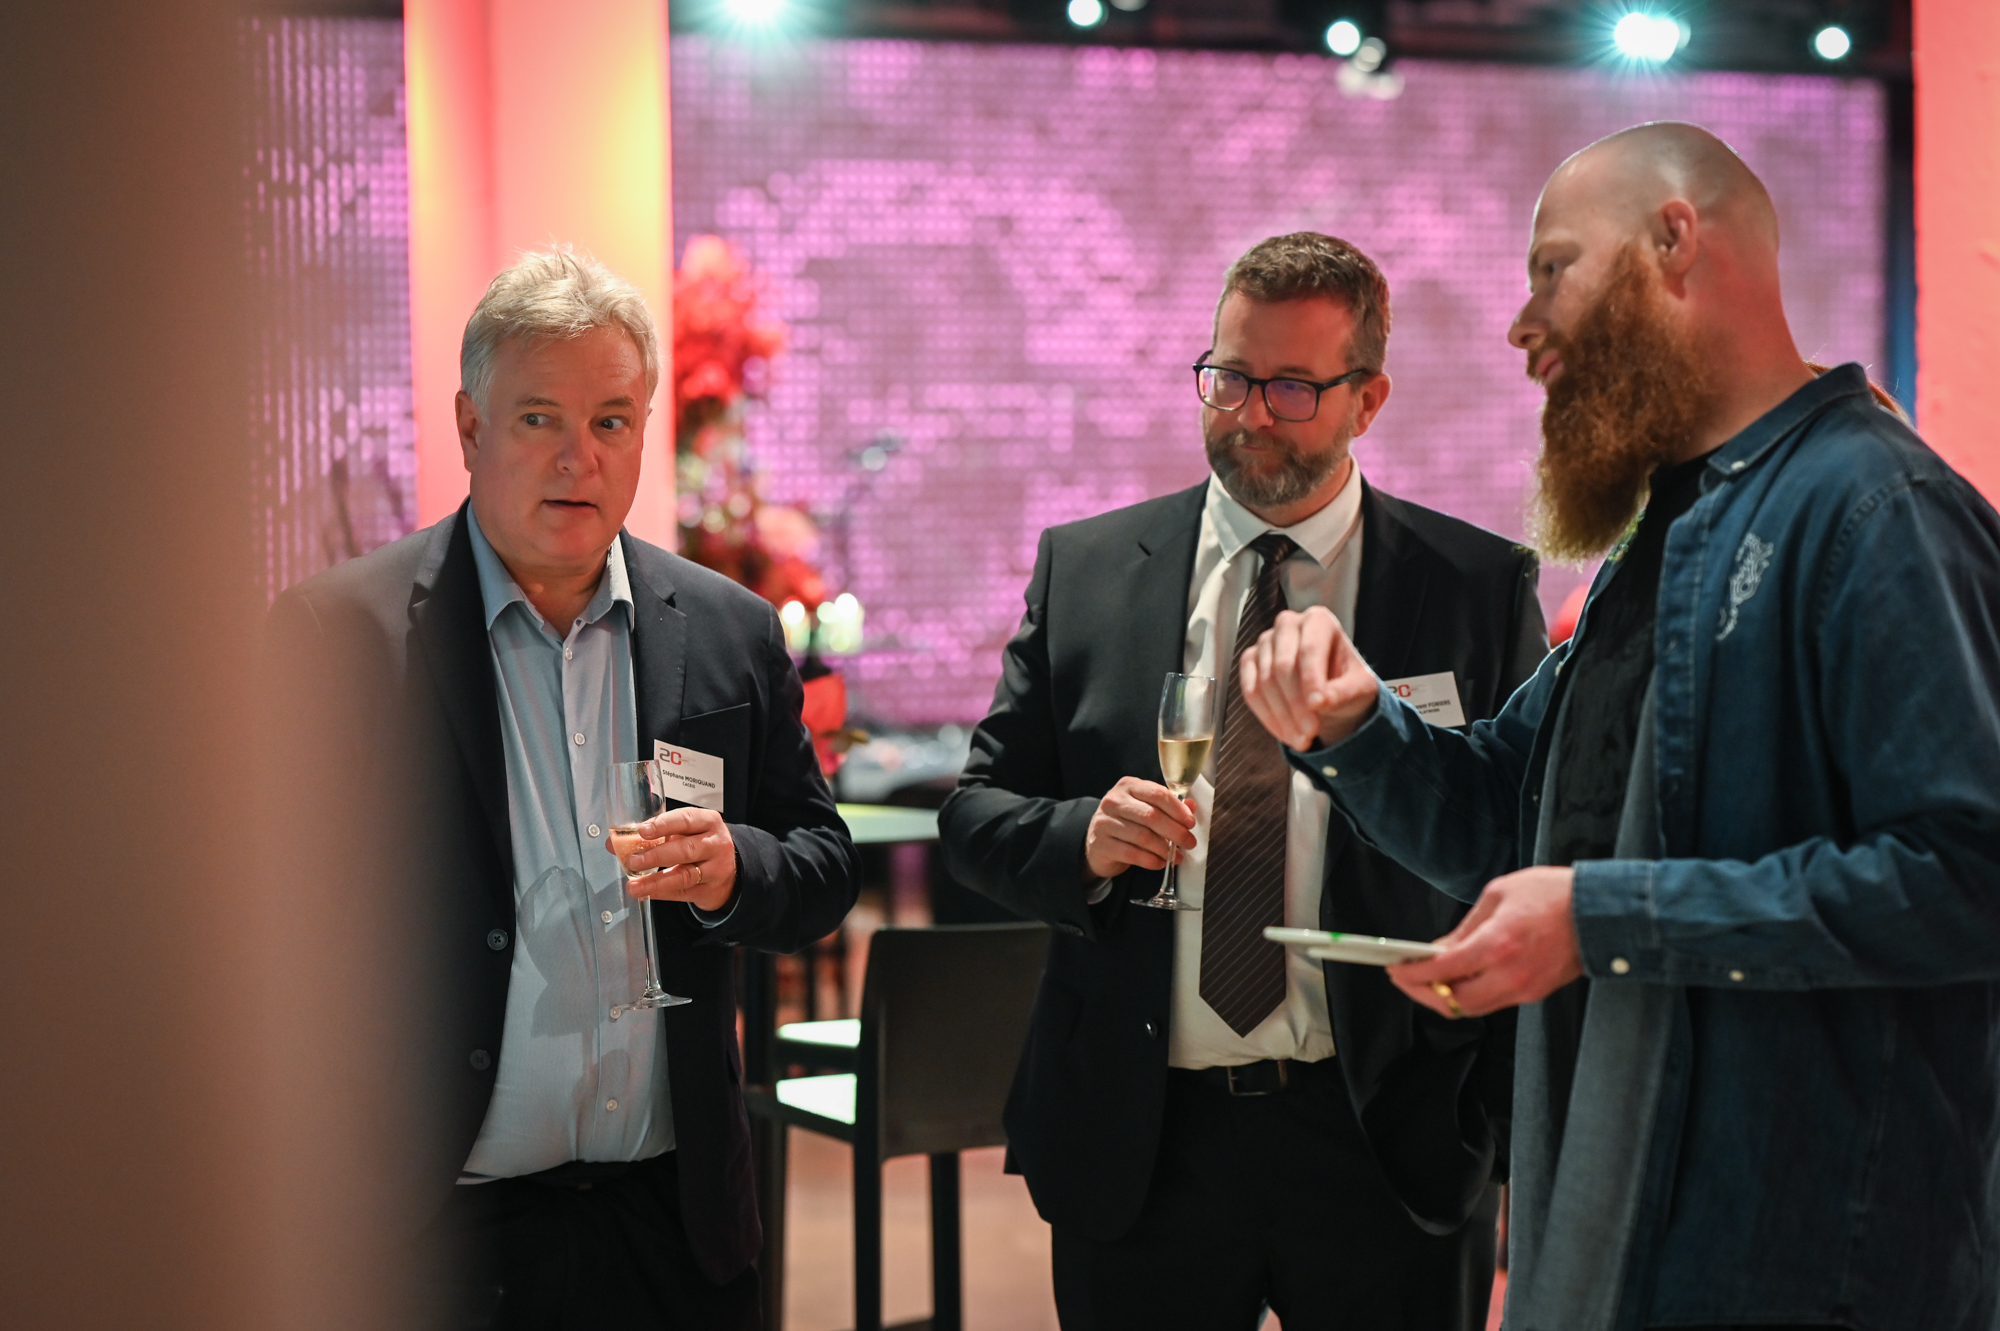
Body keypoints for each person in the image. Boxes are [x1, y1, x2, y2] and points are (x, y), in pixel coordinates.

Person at [1240, 123, 2000, 1331]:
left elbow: (1965, 875)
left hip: (1803, 1263)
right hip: (1612, 1231)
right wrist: (1355, 729)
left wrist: (1605, 918)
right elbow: (1505, 819)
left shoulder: (1876, 509)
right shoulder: (1658, 543)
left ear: (1673, 241)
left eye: (1553, 268)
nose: (1520, 324)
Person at [938, 233, 1547, 1330]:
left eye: (1291, 388)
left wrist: (1492, 1122)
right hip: (1143, 1139)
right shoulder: (1087, 570)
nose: (1249, 415)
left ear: (1368, 400)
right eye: (1227, 377)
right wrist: (1081, 840)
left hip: (1386, 1137)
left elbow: (1523, 841)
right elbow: (976, 814)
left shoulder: (1471, 585)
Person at [264, 248, 858, 1329]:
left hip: (674, 1226)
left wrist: (736, 867)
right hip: (433, 1232)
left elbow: (822, 866)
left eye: (611, 421)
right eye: (538, 418)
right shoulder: (340, 636)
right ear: (470, 426)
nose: (578, 458)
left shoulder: (727, 630)